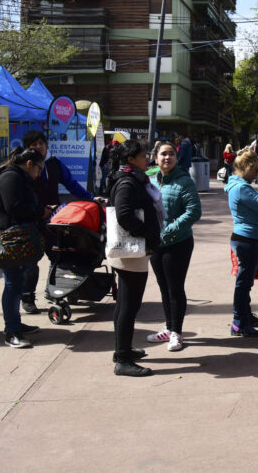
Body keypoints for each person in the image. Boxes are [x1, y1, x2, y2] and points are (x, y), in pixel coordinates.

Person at [20, 129, 94, 315]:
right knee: (31, 262)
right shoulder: (21, 166)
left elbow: (72, 184)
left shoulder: (54, 164)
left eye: (41, 143)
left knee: (58, 257)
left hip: (54, 220)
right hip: (30, 220)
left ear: (46, 146)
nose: (39, 147)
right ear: (27, 148)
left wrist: (92, 199)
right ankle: (27, 297)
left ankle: (54, 292)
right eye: (34, 145)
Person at [107, 139, 163, 376]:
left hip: (132, 251)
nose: (147, 158)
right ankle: (123, 359)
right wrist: (147, 233)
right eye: (143, 155)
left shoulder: (133, 178)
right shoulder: (127, 182)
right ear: (130, 159)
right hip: (130, 252)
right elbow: (124, 216)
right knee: (129, 306)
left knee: (125, 304)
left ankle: (123, 350)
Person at [0, 148, 50, 349]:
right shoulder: (11, 177)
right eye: (39, 169)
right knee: (13, 285)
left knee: (17, 283)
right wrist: (40, 211)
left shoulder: (18, 177)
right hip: (11, 239)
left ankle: (15, 323)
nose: (39, 174)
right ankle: (12, 331)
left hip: (19, 239)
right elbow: (14, 207)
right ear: (29, 163)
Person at [146, 140, 202, 351]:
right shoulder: (150, 180)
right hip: (156, 243)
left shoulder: (185, 181)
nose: (167, 157)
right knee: (163, 287)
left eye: (171, 154)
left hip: (178, 242)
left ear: (177, 158)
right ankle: (169, 328)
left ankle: (177, 332)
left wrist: (169, 230)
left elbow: (194, 212)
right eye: (163, 154)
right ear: (156, 158)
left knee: (175, 288)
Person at [225, 150, 258, 337]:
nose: (257, 174)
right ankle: (239, 322)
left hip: (248, 239)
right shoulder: (241, 188)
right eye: (255, 170)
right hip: (247, 240)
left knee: (245, 282)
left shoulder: (239, 185)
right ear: (245, 167)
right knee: (243, 284)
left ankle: (245, 316)